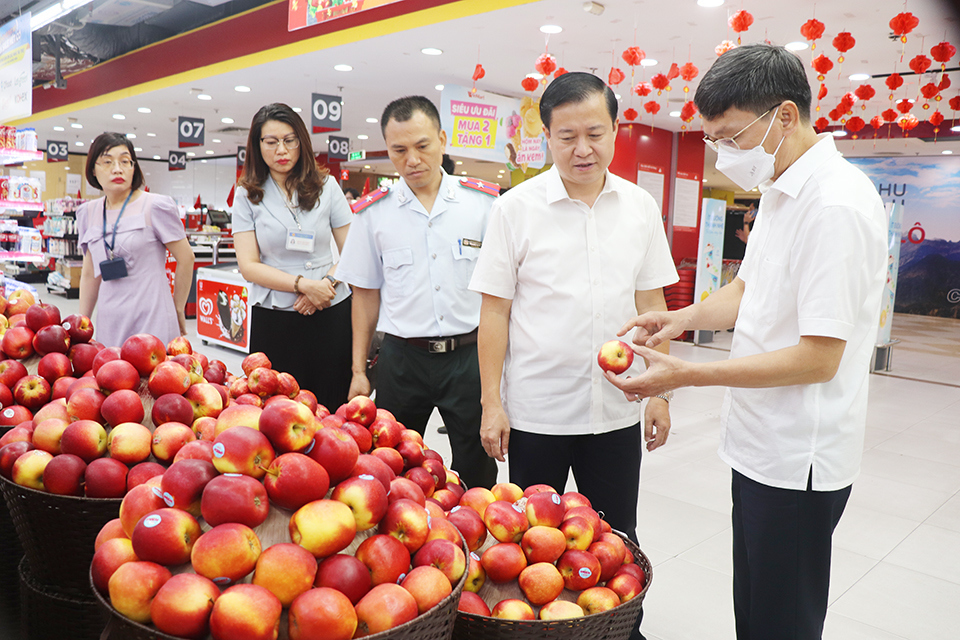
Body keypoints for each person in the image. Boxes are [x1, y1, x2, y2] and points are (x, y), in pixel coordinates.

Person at [605, 44, 887, 640]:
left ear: (784, 116)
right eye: (712, 140)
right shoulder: (784, 189)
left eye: (730, 137)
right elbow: (746, 289)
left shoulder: (834, 204)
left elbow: (819, 358)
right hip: (759, 446)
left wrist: (684, 376)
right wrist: (682, 319)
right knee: (754, 609)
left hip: (797, 458)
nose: (722, 153)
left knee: (783, 620)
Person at [469, 72, 678, 545]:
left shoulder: (641, 207)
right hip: (537, 411)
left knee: (618, 536)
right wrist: (491, 404)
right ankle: (535, 624)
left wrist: (661, 393)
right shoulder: (514, 209)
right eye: (567, 137)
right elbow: (494, 312)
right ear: (546, 137)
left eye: (595, 134)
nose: (582, 149)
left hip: (616, 409)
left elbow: (653, 305)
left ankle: (623, 624)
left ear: (616, 131)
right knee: (530, 543)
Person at [336, 95, 499, 490]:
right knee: (391, 466)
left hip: (469, 358)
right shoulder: (373, 213)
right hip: (402, 359)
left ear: (442, 139)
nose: (412, 160)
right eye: (399, 150)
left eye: (423, 146)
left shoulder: (483, 206)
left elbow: (502, 296)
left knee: (477, 465)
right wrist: (359, 370)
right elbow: (365, 294)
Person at [232, 103, 353, 411]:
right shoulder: (247, 194)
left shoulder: (327, 187)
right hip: (275, 316)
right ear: (257, 146)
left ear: (302, 142)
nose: (281, 150)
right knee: (276, 411)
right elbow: (249, 266)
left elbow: (355, 249)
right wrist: (303, 285)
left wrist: (325, 284)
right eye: (270, 142)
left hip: (330, 307)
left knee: (331, 406)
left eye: (290, 140)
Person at [78, 132, 195, 347]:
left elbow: (186, 257)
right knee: (112, 376)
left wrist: (178, 307)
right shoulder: (88, 212)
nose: (117, 168)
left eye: (125, 161)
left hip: (153, 317)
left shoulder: (155, 206)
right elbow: (88, 273)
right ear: (93, 169)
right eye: (107, 161)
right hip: (110, 319)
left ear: (134, 168)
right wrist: (81, 324)